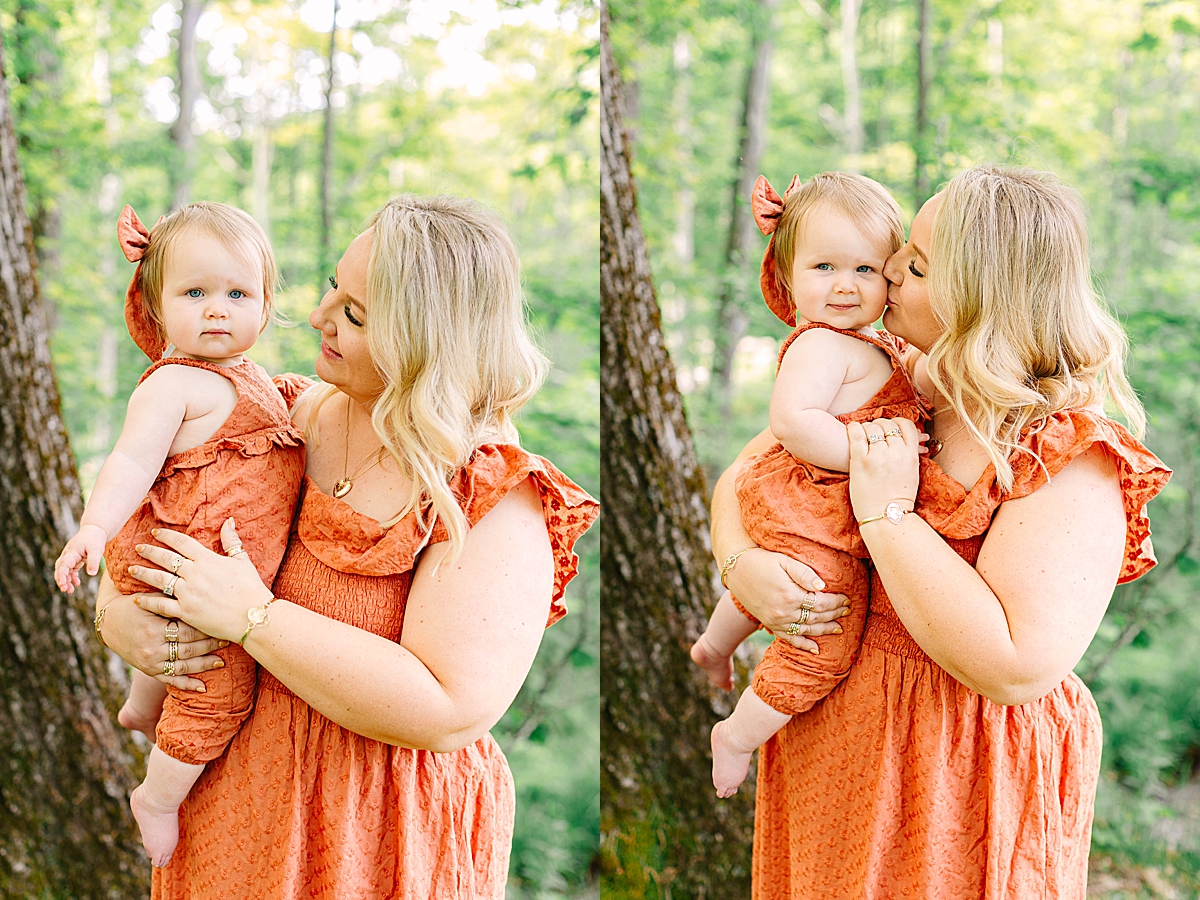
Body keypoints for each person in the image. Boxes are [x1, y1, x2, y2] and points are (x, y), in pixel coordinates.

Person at [94, 194, 600, 898]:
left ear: (424, 345)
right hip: (231, 815)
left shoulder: (489, 495)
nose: (318, 316)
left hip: (375, 838)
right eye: (335, 285)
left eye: (355, 314)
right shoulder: (276, 416)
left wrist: (252, 617)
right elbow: (153, 513)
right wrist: (122, 617)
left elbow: (451, 708)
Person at [710, 165, 1171, 897]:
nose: (889, 268)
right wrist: (741, 566)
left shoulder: (1066, 452)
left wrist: (886, 516)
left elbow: (1018, 665)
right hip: (836, 741)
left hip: (958, 773)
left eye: (916, 265)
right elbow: (744, 474)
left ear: (976, 298)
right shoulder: (902, 378)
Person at [57, 202, 305, 867]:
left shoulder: (255, 380)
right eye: (194, 293)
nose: (217, 309)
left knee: (180, 654)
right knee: (216, 689)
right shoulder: (174, 383)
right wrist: (93, 528)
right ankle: (158, 799)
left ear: (265, 302)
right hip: (178, 558)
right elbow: (132, 461)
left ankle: (142, 705)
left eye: (236, 293)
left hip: (200, 567)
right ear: (159, 307)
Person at [689, 171, 929, 798]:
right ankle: (736, 736)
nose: (845, 286)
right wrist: (866, 450)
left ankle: (715, 645)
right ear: (788, 275)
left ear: (891, 277)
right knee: (822, 634)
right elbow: (792, 422)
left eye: (865, 269)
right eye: (824, 266)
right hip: (813, 506)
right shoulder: (821, 346)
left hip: (808, 509)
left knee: (785, 583)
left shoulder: (871, 344)